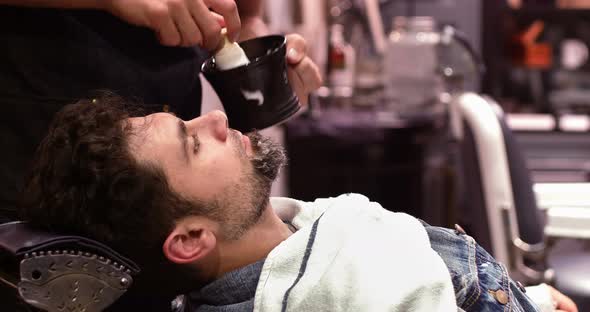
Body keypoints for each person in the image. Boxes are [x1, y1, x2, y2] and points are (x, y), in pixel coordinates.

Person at [19, 95, 577, 312]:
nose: (214, 119)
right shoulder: (321, 291)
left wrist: (524, 295)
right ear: (190, 238)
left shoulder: (300, 235)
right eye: (192, 143)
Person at [0, 0, 322, 223]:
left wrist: (251, 55)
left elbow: (247, 15)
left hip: (169, 158)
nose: (218, 121)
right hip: (38, 137)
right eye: (193, 142)